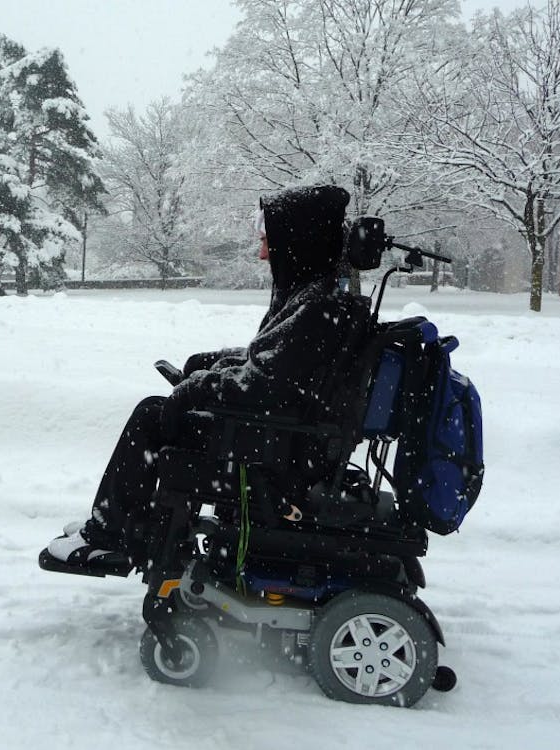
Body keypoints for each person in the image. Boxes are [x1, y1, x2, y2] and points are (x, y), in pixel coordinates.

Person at [46, 184, 372, 569]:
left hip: (275, 454)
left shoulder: (316, 307)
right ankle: (127, 525)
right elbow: (271, 363)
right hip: (287, 441)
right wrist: (210, 362)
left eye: (271, 242)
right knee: (161, 410)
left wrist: (197, 387)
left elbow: (264, 387)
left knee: (151, 415)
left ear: (300, 241)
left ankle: (109, 532)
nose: (263, 253)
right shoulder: (319, 297)